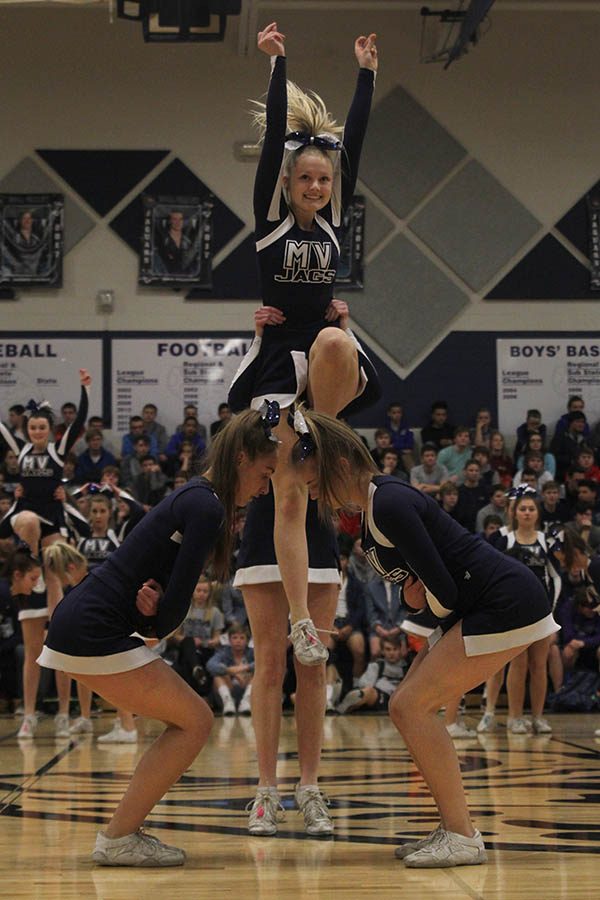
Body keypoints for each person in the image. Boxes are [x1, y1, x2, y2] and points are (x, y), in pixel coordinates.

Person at [290, 409, 559, 868]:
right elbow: (429, 587)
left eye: (312, 483)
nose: (311, 494)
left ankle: (463, 834)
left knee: (410, 706)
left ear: (335, 464)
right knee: (404, 706)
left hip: (503, 600)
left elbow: (443, 589)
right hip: (476, 604)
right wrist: (418, 599)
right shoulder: (375, 509)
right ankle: (453, 825)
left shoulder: (389, 502)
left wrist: (418, 602)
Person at [37, 406, 279, 867]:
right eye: (266, 473)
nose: (265, 487)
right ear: (244, 457)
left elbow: (163, 603)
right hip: (92, 628)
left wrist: (153, 614)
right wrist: (153, 618)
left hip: (85, 623)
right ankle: (119, 836)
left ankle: (122, 833)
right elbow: (172, 613)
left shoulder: (197, 498)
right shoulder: (206, 506)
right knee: (196, 721)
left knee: (188, 720)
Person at [227, 22, 380, 665]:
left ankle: (334, 450)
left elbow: (357, 146)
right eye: (306, 180)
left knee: (337, 341)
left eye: (324, 180)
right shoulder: (272, 222)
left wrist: (367, 74)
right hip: (275, 366)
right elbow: (270, 151)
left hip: (324, 362)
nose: (317, 187)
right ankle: (302, 622)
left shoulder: (337, 223)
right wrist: (279, 61)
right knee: (289, 484)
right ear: (289, 185)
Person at [1, 545, 43, 738]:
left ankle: (37, 714)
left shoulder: (23, 594)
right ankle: (27, 713)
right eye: (32, 579)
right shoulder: (5, 591)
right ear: (17, 575)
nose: (35, 585)